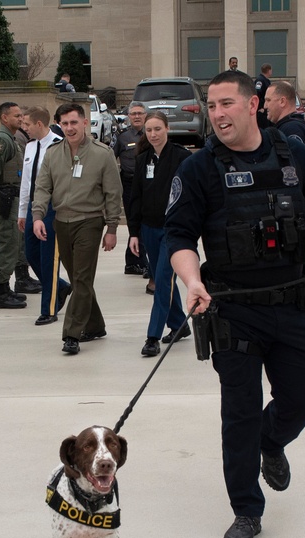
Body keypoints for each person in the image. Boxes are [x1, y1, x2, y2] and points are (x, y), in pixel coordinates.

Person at [165, 70, 305, 538]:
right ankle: (246, 510)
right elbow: (179, 236)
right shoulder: (200, 168)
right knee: (240, 413)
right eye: (211, 105)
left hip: (293, 305)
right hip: (232, 310)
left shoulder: (295, 156)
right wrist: (192, 281)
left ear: (253, 105)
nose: (217, 114)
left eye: (226, 103)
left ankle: (272, 443)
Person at [31, 102, 122, 355]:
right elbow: (42, 187)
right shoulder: (52, 154)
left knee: (82, 278)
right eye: (65, 123)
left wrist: (112, 227)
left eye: (74, 122)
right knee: (78, 279)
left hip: (90, 222)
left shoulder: (102, 154)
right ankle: (96, 325)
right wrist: (38, 216)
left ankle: (71, 334)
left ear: (84, 122)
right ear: (59, 125)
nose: (70, 128)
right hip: (61, 222)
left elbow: (113, 193)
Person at [127, 111, 192, 358]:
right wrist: (134, 232)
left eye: (157, 129)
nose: (153, 134)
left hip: (173, 230)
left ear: (167, 128)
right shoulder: (143, 159)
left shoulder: (182, 158)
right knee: (161, 277)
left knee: (163, 280)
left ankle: (152, 336)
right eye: (149, 130)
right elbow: (136, 197)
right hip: (148, 229)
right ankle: (179, 324)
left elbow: (191, 195)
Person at [17, 106, 72, 326]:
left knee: (49, 260)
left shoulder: (60, 145)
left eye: (27, 124)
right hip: (33, 208)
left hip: (52, 209)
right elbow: (26, 182)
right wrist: (23, 211)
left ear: (39, 124)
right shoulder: (30, 147)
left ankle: (48, 310)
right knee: (31, 255)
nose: (24, 128)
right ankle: (60, 286)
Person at [0, 101, 31, 310]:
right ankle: (0, 292)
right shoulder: (2, 141)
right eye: (16, 116)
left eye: (22, 116)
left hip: (13, 197)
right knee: (7, 241)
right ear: (5, 118)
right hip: (5, 198)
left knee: (14, 241)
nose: (21, 119)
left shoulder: (11, 139)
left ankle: (6, 288)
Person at [111, 102, 150, 284]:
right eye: (133, 113)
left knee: (145, 221)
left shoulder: (151, 134)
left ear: (145, 115)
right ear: (128, 116)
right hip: (129, 183)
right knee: (135, 221)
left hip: (148, 184)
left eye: (140, 114)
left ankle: (134, 262)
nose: (136, 117)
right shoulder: (122, 137)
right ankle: (138, 262)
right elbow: (111, 159)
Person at [264, 80, 305, 152]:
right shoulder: (290, 127)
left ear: (282, 101)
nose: (265, 106)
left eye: (268, 100)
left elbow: (295, 161)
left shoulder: (293, 129)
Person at [254, 63, 272, 128]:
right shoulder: (260, 80)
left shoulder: (266, 80)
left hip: (266, 109)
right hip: (261, 110)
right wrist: (259, 107)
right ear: (269, 70)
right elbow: (257, 93)